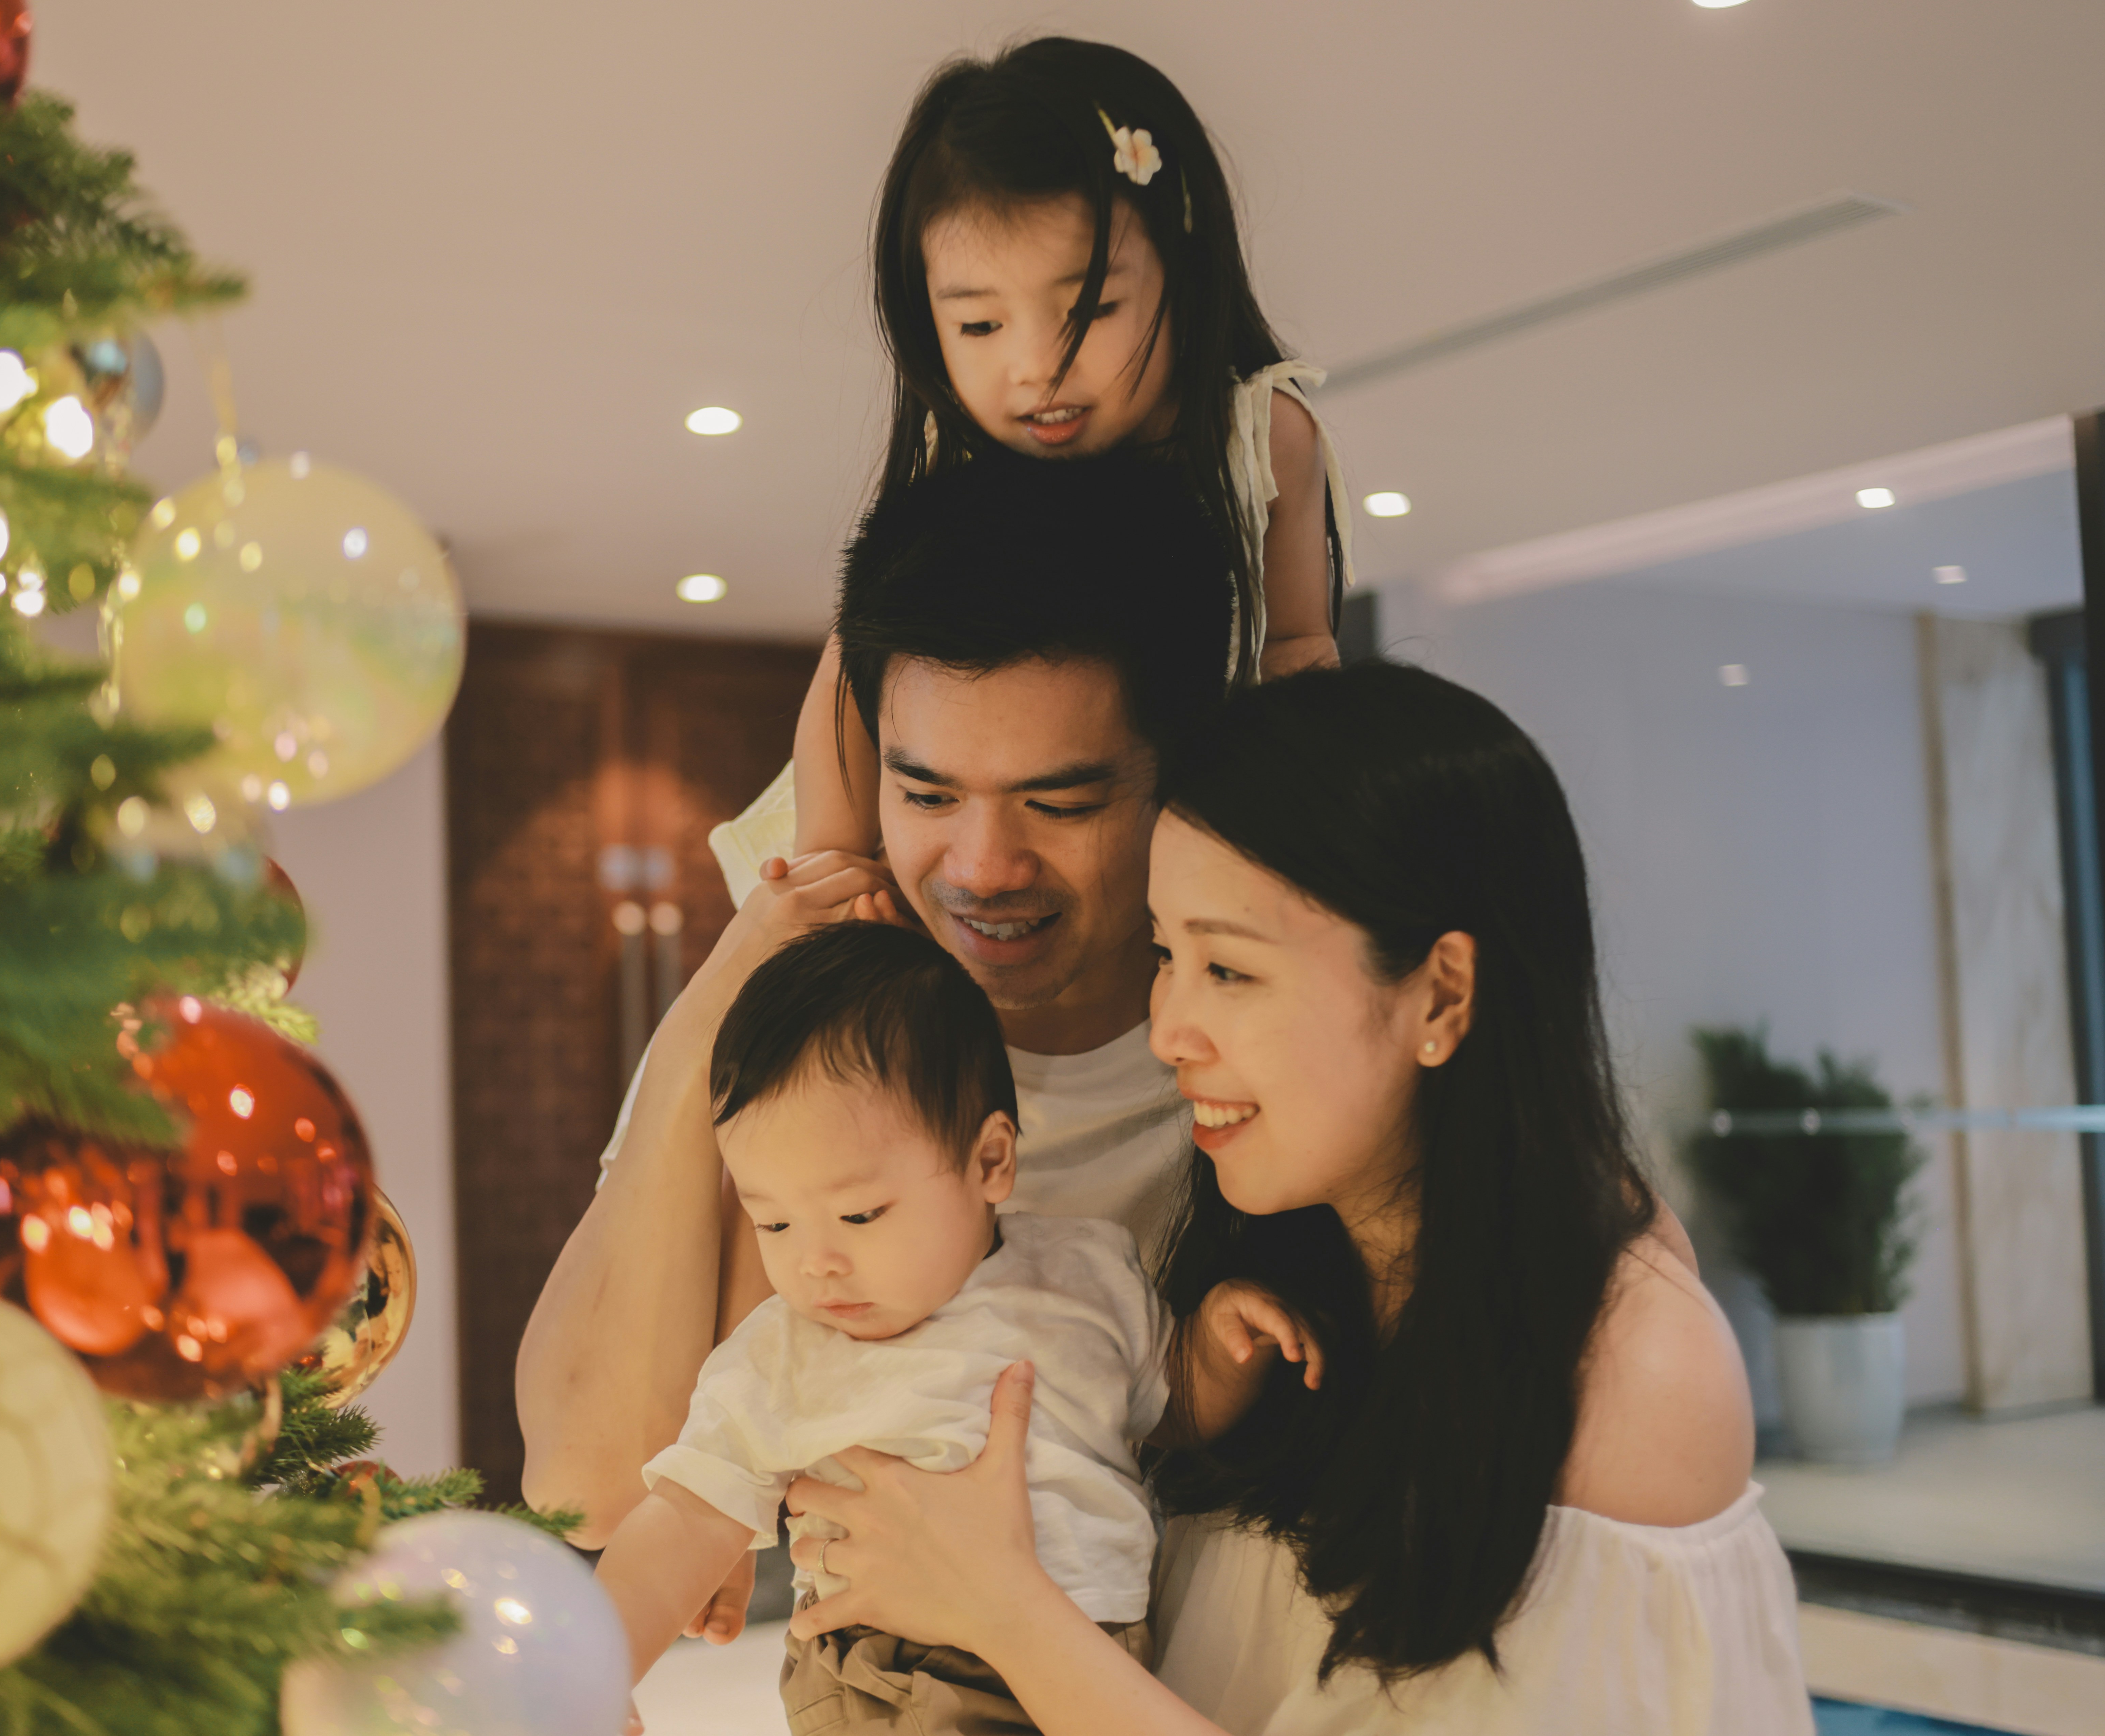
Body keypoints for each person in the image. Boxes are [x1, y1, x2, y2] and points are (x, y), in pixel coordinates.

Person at [780, 663, 1811, 1734]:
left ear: (1443, 993)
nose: (1172, 1027)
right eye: (1166, 954)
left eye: (1229, 970)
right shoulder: (1270, 1295)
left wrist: (1004, 1609)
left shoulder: (1627, 1365)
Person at [516, 448, 1234, 1652]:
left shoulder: (1230, 1039)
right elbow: (592, 1475)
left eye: (1059, 803)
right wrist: (738, 970)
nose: (983, 867)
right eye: (928, 792)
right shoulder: (818, 1034)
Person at [598, 921, 1291, 1734]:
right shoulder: (781, 1353)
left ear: (990, 1161)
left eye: (859, 1213)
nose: (816, 1263)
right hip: (892, 1672)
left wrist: (1221, 1346)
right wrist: (593, 1671)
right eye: (773, 1224)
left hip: (1089, 1660)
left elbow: (1166, 1407)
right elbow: (683, 1522)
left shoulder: (1084, 1274)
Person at [713, 35, 1357, 899]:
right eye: (981, 327)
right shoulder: (962, 457)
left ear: (1183, 268)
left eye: (1088, 310)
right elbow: (852, 674)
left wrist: (1296, 809)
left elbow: (1296, 641)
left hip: (1182, 813)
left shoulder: (1262, 435)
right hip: (965, 841)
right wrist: (838, 859)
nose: (1037, 369)